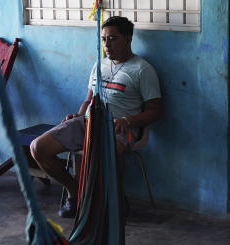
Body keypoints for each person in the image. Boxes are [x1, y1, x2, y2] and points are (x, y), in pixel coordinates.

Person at [30, 15, 162, 218]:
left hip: (121, 128)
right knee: (38, 148)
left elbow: (155, 110)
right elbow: (88, 99)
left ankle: (115, 198)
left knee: (109, 151)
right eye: (103, 39)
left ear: (128, 39)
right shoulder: (99, 65)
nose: (107, 44)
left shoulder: (142, 70)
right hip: (88, 122)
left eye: (113, 38)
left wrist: (128, 121)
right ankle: (76, 193)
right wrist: (79, 114)